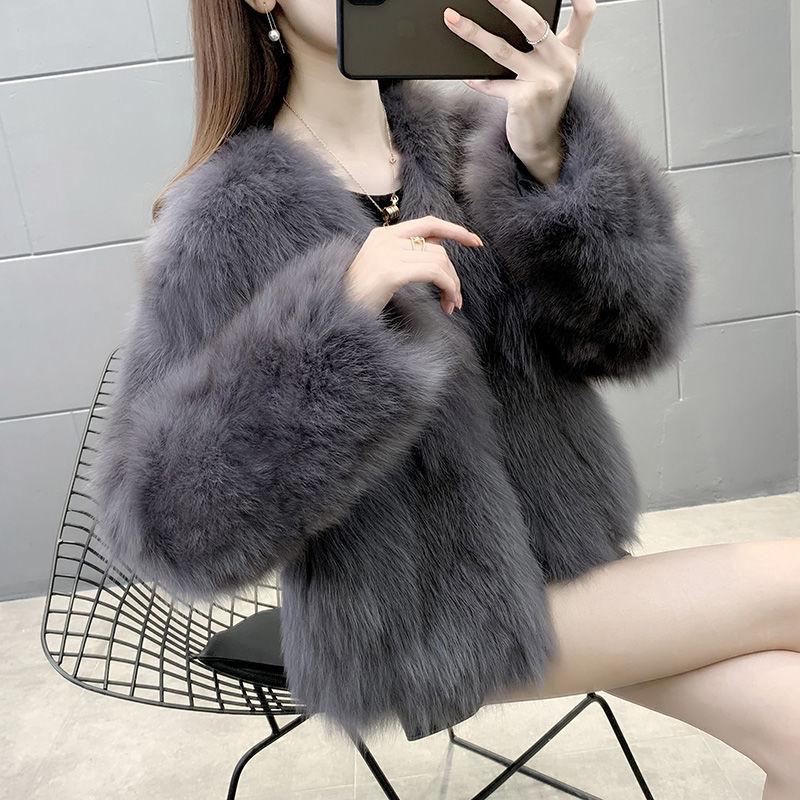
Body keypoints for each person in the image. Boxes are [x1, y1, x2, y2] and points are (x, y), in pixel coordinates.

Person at [90, 0, 800, 794]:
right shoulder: (225, 223)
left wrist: (548, 161)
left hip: (571, 568)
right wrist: (334, 319)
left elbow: (633, 335)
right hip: (423, 625)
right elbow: (167, 526)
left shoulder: (475, 142)